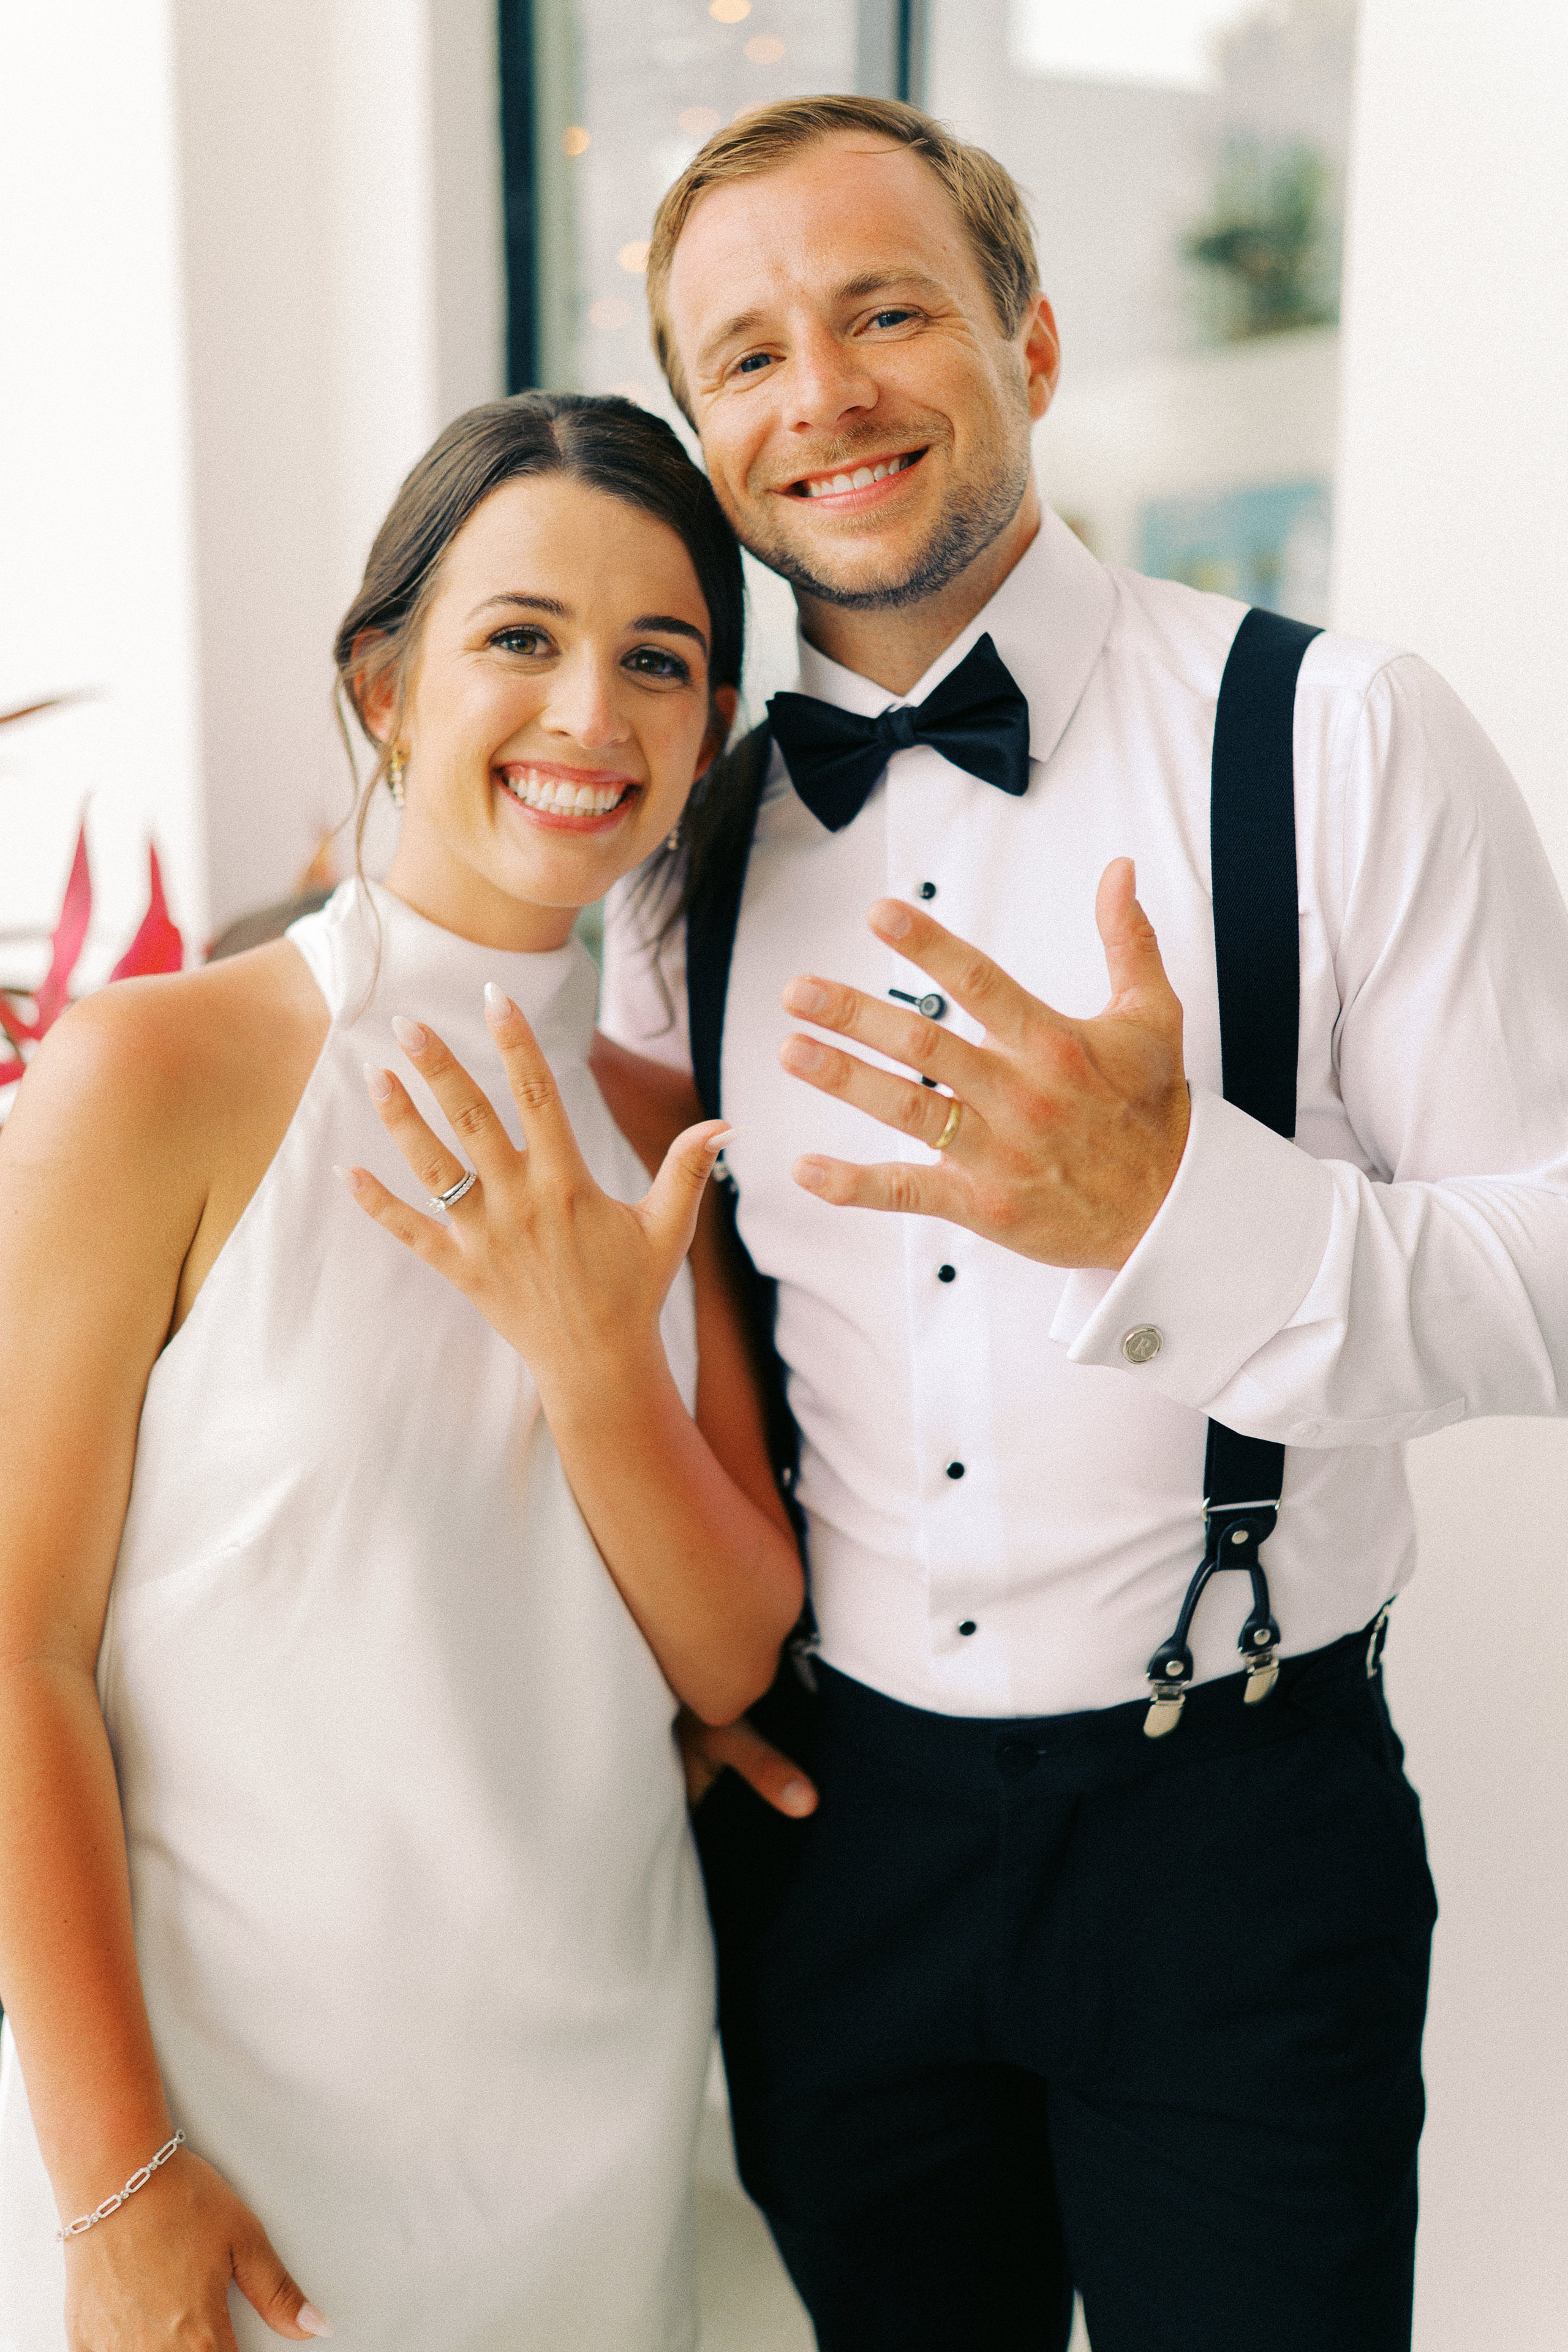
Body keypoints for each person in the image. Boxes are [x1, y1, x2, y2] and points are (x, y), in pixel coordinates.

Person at [597, 95, 1568, 2351]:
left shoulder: (1339, 736)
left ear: (1030, 342)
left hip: (1239, 1838)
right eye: (746, 355)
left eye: (885, 313)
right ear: (706, 436)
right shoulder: (680, 851)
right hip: (832, 1842)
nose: (820, 394)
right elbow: (649, 1333)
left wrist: (1191, 1212)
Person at [0, 391, 804, 2352]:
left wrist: (586, 1357)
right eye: (522, 637)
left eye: (659, 661)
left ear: (708, 732)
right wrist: (115, 2185)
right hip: (234, 2138)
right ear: (387, 685)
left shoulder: (665, 1121)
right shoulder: (156, 1074)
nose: (590, 712)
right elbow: (16, 1648)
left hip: (597, 2123)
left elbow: (729, 1652)